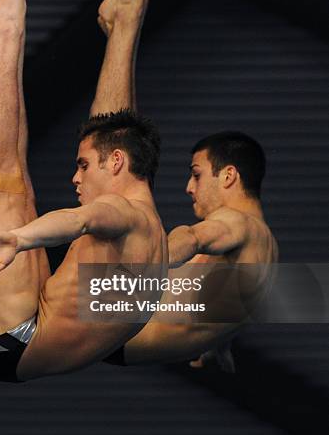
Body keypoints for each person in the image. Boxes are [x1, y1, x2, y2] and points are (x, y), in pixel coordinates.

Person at [0, 0, 168, 382]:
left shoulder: (124, 215)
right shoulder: (155, 238)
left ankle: (6, 35)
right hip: (29, 331)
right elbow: (109, 142)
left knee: (5, 184)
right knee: (32, 177)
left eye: (83, 166)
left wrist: (18, 238)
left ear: (116, 164)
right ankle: (124, 22)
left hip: (8, 338)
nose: (74, 177)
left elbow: (79, 219)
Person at [116, 130, 279, 368]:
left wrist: (151, 259)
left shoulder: (238, 222)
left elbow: (192, 237)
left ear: (228, 176)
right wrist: (218, 343)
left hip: (112, 330)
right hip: (125, 345)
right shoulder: (269, 251)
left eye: (196, 175)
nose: (189, 187)